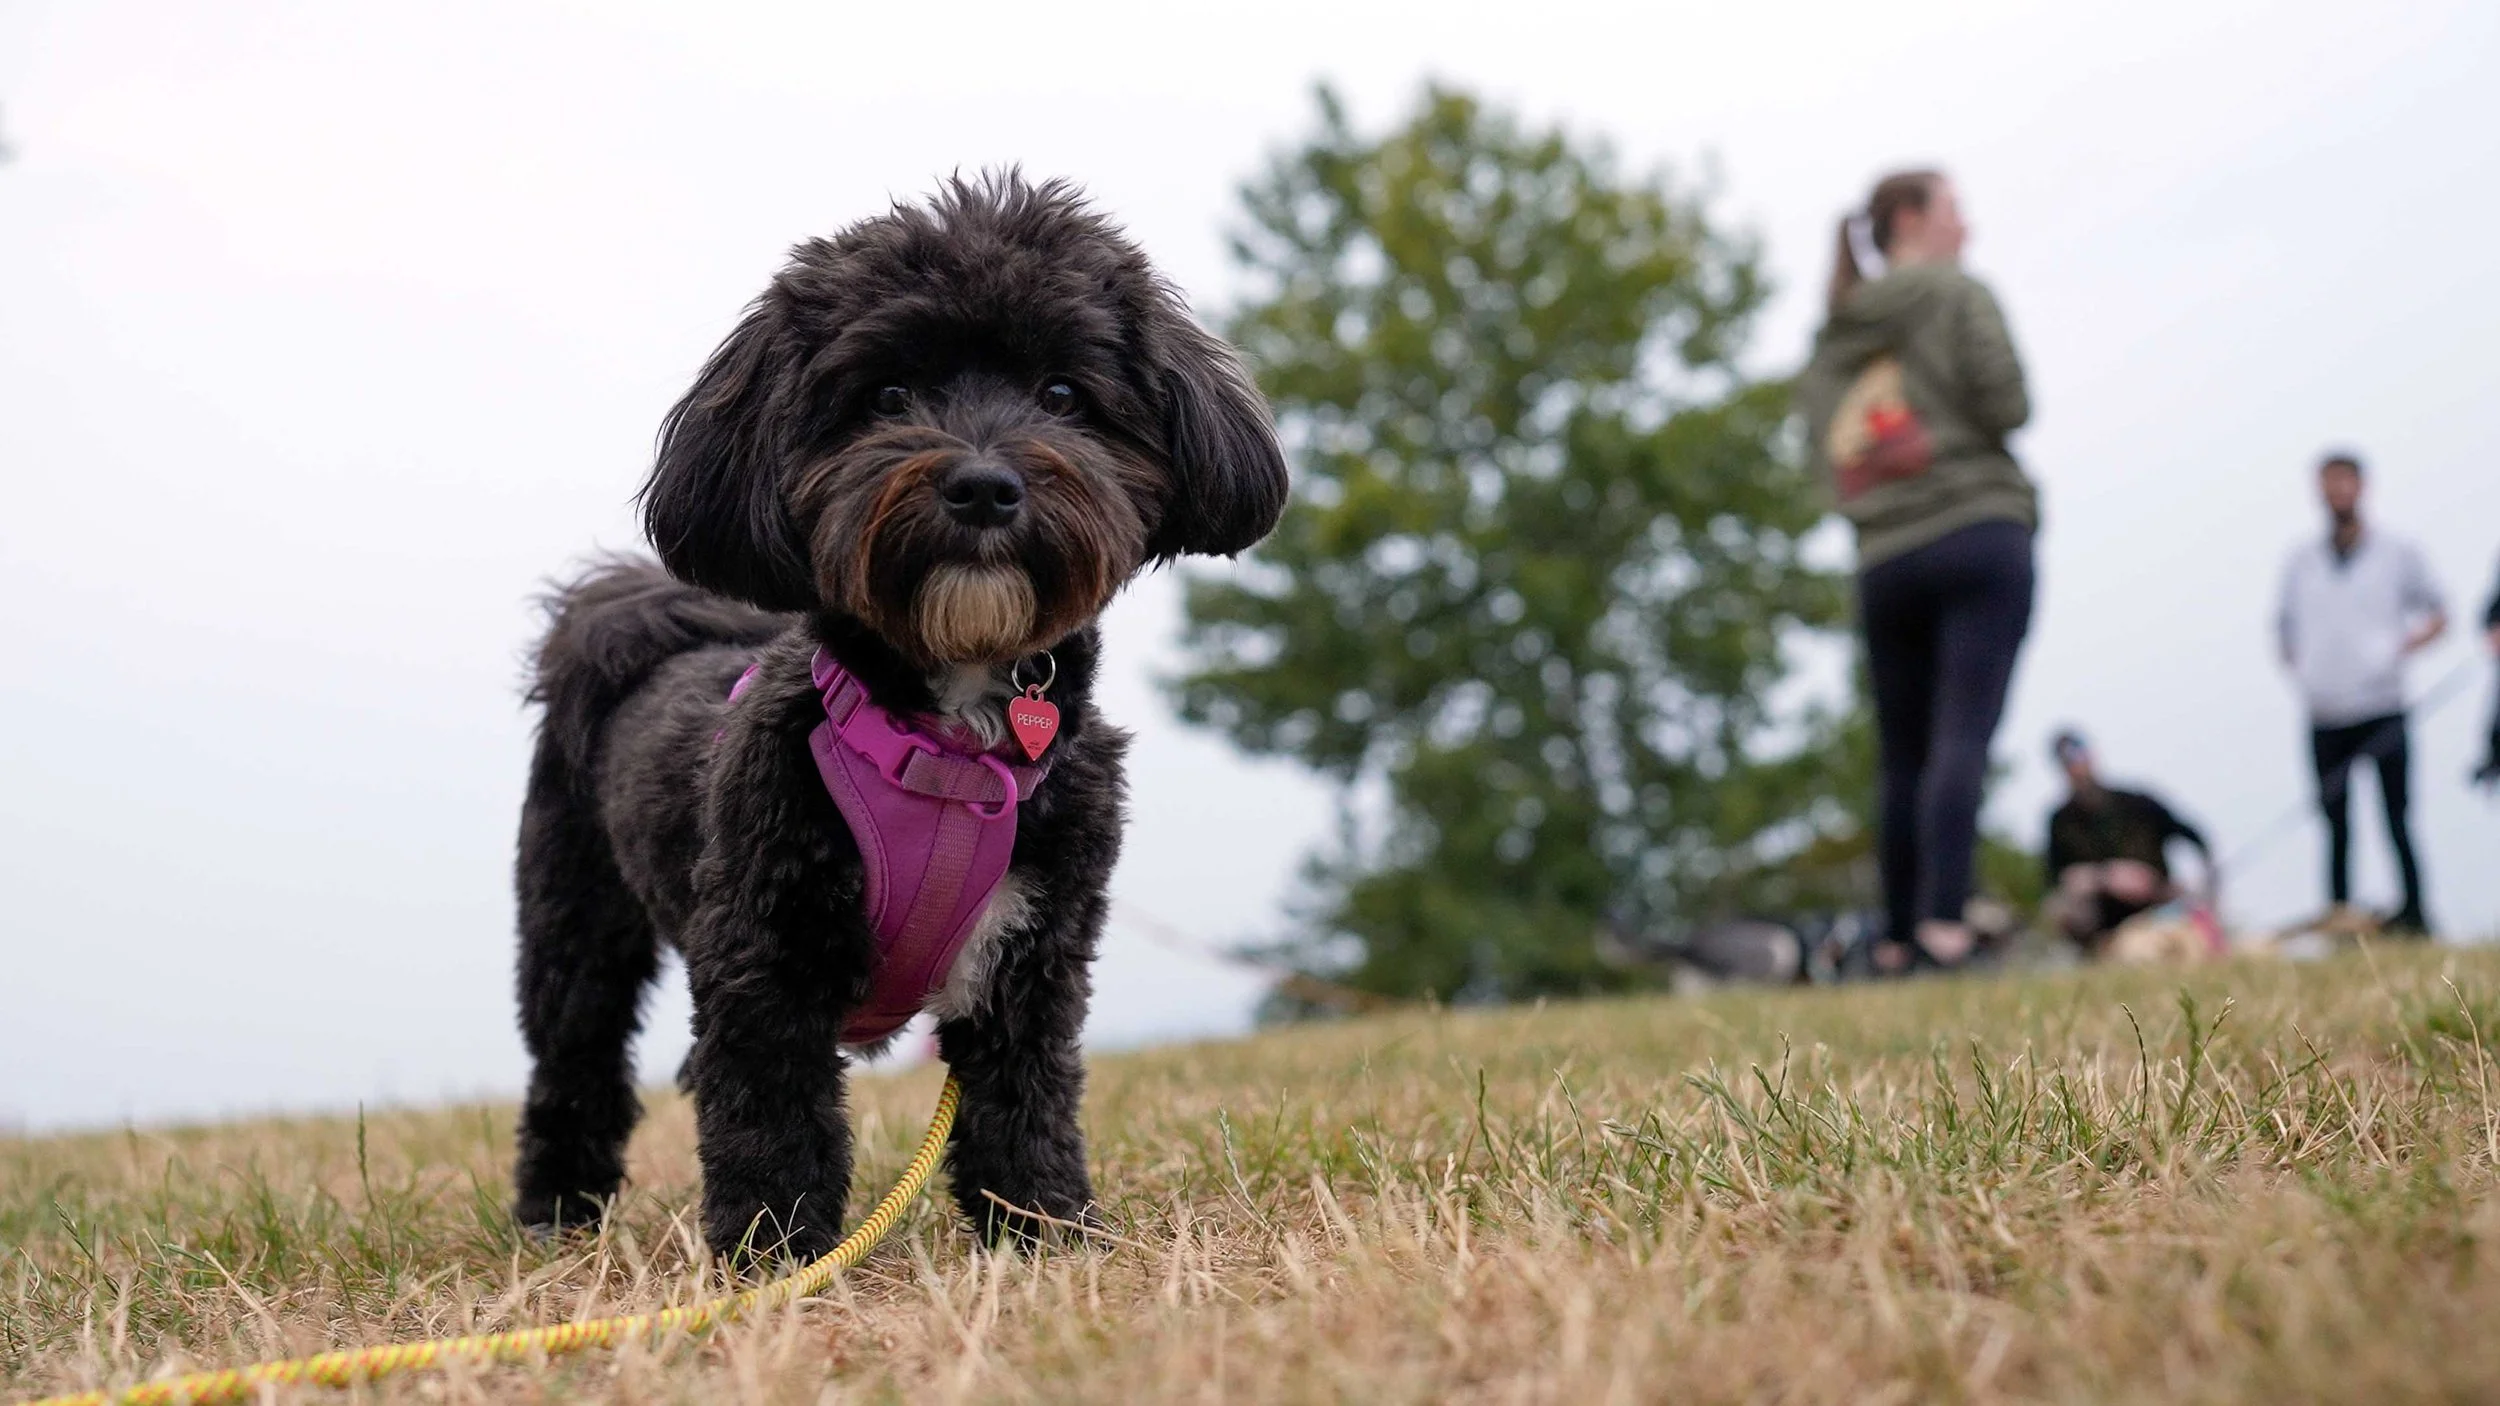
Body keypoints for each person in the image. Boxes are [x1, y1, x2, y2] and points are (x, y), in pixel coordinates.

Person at [1796, 170, 2037, 973]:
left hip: (1884, 558)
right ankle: (1945, 927)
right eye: (1954, 206)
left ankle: (1897, 940)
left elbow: (1821, 455)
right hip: (1977, 529)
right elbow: (2008, 404)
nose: (1967, 222)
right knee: (1961, 738)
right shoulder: (1957, 294)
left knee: (1902, 753)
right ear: (1910, 219)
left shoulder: (1836, 332)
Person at [2275, 452, 2447, 934]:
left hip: (2382, 705)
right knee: (2335, 822)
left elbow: (2439, 611)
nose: (2336, 493)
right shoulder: (2300, 561)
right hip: (2325, 710)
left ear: (2361, 486)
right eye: (2328, 484)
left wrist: (2396, 651)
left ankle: (2415, 915)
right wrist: (2305, 671)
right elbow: (2283, 629)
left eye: (2343, 483)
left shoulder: (2397, 552)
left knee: (2397, 816)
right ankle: (2340, 917)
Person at [2042, 729, 2212, 952]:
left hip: (2160, 904)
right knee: (2059, 905)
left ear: (2091, 755)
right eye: (2067, 760)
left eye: (2078, 754)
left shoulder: (2139, 803)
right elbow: (2055, 878)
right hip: (2105, 919)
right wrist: (2107, 877)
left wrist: (2200, 888)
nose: (2075, 766)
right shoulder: (2061, 821)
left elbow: (2197, 839)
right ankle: (2094, 952)